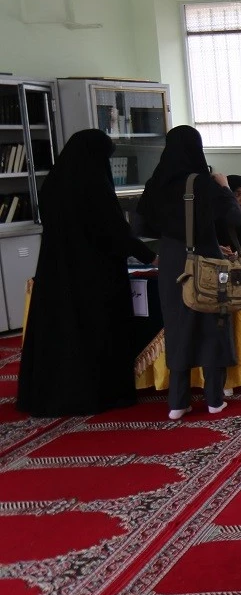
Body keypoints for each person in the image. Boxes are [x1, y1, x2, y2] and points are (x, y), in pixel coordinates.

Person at [17, 130, 157, 416]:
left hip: (56, 272)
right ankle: (97, 394)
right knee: (95, 333)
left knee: (61, 333)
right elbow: (114, 231)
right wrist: (150, 256)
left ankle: (53, 393)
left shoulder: (53, 183)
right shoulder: (94, 185)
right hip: (94, 275)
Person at [136, 126, 241, 419]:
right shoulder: (203, 183)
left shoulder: (155, 183)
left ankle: (177, 402)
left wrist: (173, 233)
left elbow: (140, 227)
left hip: (171, 261)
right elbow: (234, 217)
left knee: (177, 328)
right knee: (212, 325)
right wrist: (225, 187)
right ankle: (214, 399)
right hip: (206, 259)